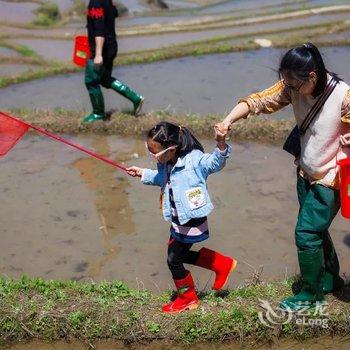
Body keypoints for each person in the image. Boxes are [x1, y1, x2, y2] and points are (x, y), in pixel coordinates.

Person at [216, 42, 350, 311]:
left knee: (306, 232)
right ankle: (330, 277)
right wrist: (228, 120)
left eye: (294, 85)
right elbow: (258, 101)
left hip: (330, 177)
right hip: (305, 169)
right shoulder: (292, 86)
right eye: (285, 83)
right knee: (314, 228)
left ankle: (311, 295)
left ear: (312, 76)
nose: (289, 90)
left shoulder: (344, 97)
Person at [126, 122, 237, 314]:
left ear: (172, 148)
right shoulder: (166, 163)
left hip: (191, 219)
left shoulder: (194, 161)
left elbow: (215, 163)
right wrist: (142, 173)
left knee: (173, 260)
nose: (153, 157)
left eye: (155, 153)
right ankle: (221, 264)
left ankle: (187, 298)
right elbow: (162, 180)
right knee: (178, 255)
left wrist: (221, 143)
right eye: (149, 151)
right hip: (177, 219)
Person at [84, 0, 144, 123]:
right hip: (111, 46)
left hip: (101, 49)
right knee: (105, 78)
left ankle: (98, 114)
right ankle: (135, 98)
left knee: (91, 81)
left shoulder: (95, 2)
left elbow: (99, 30)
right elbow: (115, 13)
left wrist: (98, 54)